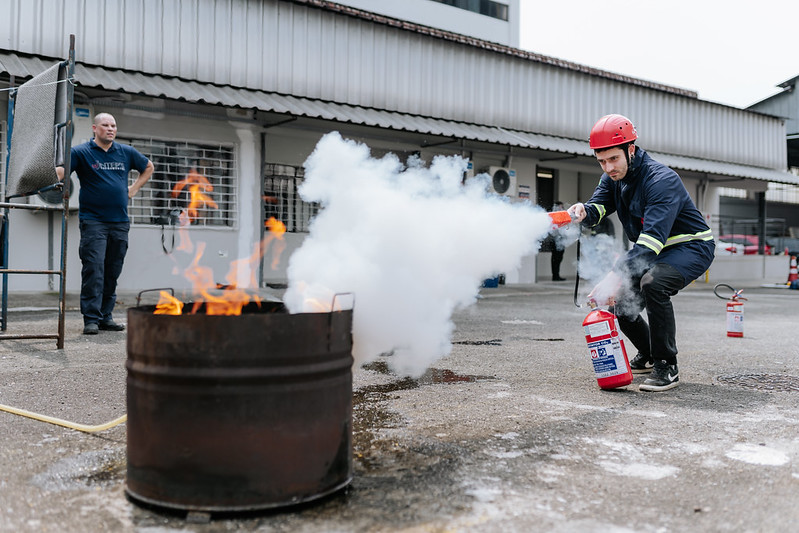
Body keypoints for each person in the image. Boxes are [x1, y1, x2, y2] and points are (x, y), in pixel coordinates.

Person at [568, 114, 714, 392]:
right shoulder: (612, 178)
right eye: (602, 161)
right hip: (653, 250)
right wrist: (584, 211)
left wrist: (613, 276)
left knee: (653, 284)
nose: (608, 167)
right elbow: (599, 206)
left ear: (630, 150)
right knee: (623, 301)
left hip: (691, 246)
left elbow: (650, 245)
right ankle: (647, 353)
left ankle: (667, 366)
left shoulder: (661, 180)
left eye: (613, 159)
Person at [56, 113, 154, 335]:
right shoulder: (81, 152)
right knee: (94, 269)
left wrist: (134, 188)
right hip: (93, 222)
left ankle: (105, 316)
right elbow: (61, 172)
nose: (110, 129)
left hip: (119, 222)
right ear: (94, 128)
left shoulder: (126, 152)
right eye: (105, 125)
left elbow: (148, 167)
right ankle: (91, 318)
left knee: (112, 271)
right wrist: (41, 174)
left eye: (113, 125)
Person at [549, 201, 567, 281]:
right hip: (556, 240)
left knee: (559, 259)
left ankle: (556, 275)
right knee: (556, 259)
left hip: (560, 240)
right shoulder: (554, 216)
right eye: (561, 206)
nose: (562, 208)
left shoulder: (561, 216)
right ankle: (555, 276)